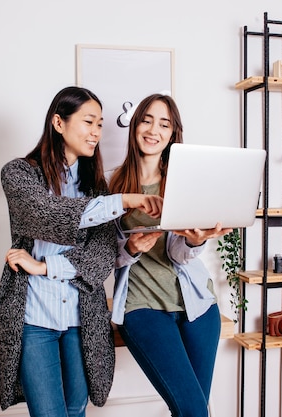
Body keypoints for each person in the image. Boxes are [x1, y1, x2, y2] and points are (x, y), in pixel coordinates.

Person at [0, 86, 163, 417]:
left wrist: (44, 267)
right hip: (34, 317)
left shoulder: (95, 187)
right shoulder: (19, 174)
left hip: (81, 318)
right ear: (58, 122)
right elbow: (48, 214)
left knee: (76, 409)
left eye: (100, 124)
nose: (96, 132)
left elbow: (100, 260)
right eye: (89, 122)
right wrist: (124, 200)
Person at [108, 93, 231, 417]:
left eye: (164, 124)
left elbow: (179, 254)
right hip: (143, 307)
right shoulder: (112, 185)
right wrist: (131, 248)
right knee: (192, 410)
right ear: (135, 126)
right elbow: (101, 255)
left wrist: (194, 240)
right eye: (147, 120)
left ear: (173, 133)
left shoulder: (183, 183)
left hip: (198, 306)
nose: (153, 130)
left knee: (192, 411)